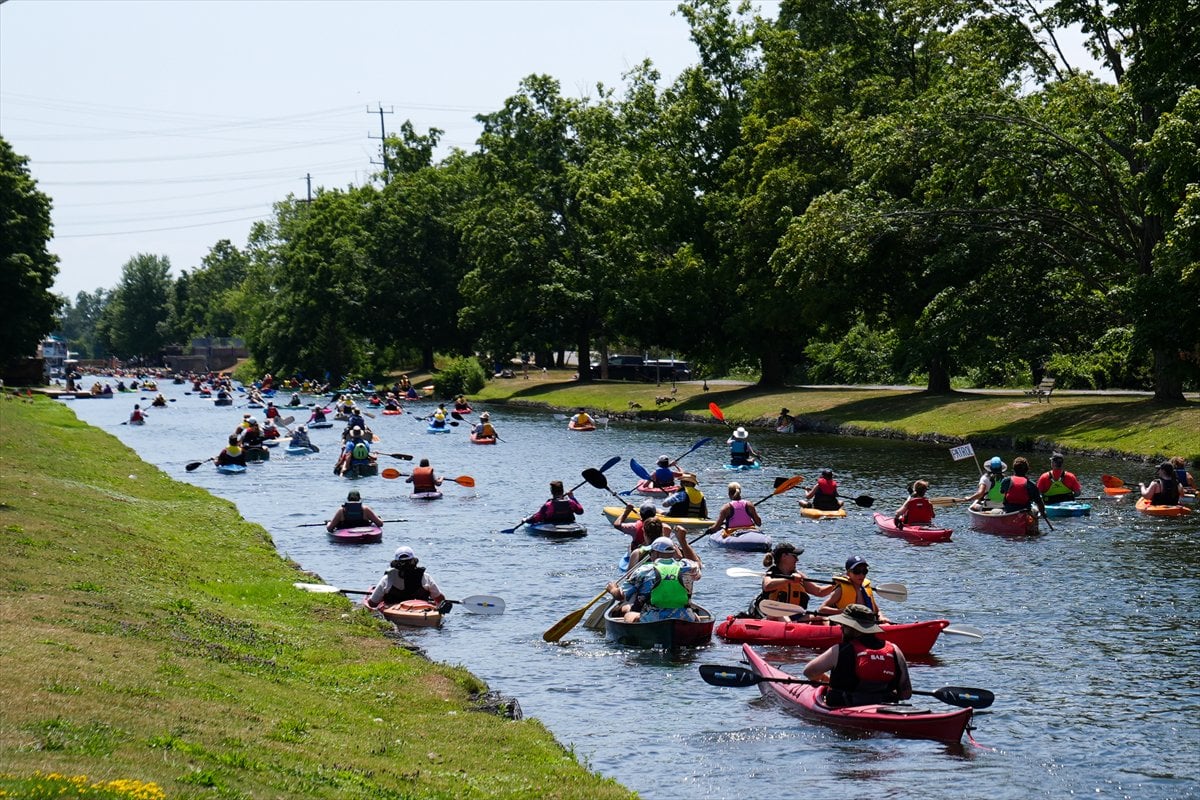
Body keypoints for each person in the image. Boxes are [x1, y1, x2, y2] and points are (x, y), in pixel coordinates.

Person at [802, 604, 912, 708]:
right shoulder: (894, 649)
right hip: (886, 707)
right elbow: (906, 694)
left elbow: (809, 672)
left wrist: (827, 680)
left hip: (846, 708)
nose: (841, 628)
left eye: (844, 625)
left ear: (852, 628)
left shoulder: (840, 650)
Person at [606, 531, 702, 623]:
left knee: (628, 615)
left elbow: (621, 596)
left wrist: (612, 589)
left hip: (653, 619)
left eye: (651, 552)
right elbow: (698, 566)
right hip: (685, 617)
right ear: (674, 552)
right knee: (695, 616)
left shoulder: (644, 570)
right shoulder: (689, 566)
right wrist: (679, 556)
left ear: (655, 553)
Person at [750, 542, 834, 621]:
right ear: (784, 556)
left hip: (796, 615)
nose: (797, 560)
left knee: (823, 618)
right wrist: (789, 580)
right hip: (774, 614)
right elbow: (767, 586)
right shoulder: (771, 573)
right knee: (782, 616)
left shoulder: (798, 575)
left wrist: (836, 585)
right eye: (795, 556)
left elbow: (819, 591)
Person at [365, 546, 448, 612]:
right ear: (413, 562)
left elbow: (373, 603)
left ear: (396, 563)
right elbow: (440, 599)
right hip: (421, 611)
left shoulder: (387, 579)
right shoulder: (425, 577)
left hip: (395, 611)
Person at [816, 556, 892, 624]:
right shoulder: (841, 589)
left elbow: (876, 611)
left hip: (866, 624)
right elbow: (822, 609)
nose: (861, 575)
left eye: (864, 571)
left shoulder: (866, 588)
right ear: (848, 573)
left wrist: (881, 617)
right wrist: (841, 612)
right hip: (846, 625)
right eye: (857, 571)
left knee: (886, 624)